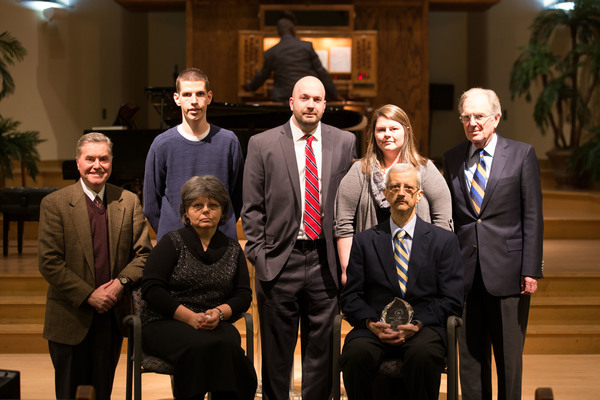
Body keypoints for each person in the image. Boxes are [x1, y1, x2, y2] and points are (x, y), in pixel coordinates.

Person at [242, 76, 356, 399]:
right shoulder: (262, 143)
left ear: (325, 105)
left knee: (322, 355)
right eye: (304, 98)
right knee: (276, 357)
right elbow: (251, 208)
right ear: (291, 102)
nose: (311, 105)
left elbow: (350, 204)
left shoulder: (345, 141)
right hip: (279, 261)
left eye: (317, 99)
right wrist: (261, 257)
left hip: (325, 260)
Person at [442, 88, 544, 400]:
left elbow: (532, 216)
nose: (472, 122)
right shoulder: (452, 158)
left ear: (496, 118)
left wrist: (531, 269)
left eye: (479, 116)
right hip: (465, 273)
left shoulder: (521, 154)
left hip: (509, 272)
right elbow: (452, 219)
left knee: (509, 359)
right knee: (470, 359)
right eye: (466, 117)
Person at [38, 132, 152, 400]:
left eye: (103, 159)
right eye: (90, 159)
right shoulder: (54, 204)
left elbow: (144, 255)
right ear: (78, 162)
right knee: (69, 394)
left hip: (110, 319)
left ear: (111, 162)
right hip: (70, 317)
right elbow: (49, 262)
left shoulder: (128, 201)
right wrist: (89, 295)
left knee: (102, 393)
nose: (97, 165)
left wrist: (119, 284)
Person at [340, 163, 462, 400]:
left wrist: (417, 324)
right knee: (356, 353)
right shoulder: (365, 241)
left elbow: (452, 299)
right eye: (395, 187)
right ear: (385, 194)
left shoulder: (444, 241)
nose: (401, 193)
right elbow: (351, 296)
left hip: (425, 327)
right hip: (376, 327)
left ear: (419, 195)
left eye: (408, 188)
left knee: (422, 353)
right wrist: (371, 323)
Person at [141, 175, 257, 400]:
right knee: (204, 345)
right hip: (166, 322)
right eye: (197, 205)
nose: (206, 210)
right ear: (186, 212)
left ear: (222, 212)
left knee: (228, 343)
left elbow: (243, 294)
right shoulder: (171, 242)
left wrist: (219, 313)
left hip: (213, 321)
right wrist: (190, 317)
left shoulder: (232, 248)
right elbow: (152, 289)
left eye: (213, 205)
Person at [335, 104, 453, 285]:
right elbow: (343, 223)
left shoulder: (425, 169)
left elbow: (443, 222)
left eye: (394, 129)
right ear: (373, 134)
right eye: (381, 130)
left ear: (406, 131)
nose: (387, 134)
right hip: (370, 268)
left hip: (420, 268)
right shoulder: (360, 170)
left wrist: (438, 266)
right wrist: (347, 269)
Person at [144, 67, 244, 241]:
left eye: (200, 94)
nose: (194, 101)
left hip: (220, 242)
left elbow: (238, 197)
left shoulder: (229, 141)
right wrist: (173, 236)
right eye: (187, 95)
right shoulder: (161, 145)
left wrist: (218, 227)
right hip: (175, 243)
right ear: (177, 99)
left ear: (209, 97)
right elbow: (152, 205)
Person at [242, 17, 342, 103]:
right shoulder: (306, 46)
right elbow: (321, 72)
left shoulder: (271, 52)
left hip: (282, 98)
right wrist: (335, 94)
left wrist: (250, 86)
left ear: (279, 32)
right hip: (305, 96)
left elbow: (262, 75)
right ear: (292, 30)